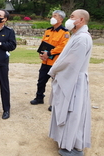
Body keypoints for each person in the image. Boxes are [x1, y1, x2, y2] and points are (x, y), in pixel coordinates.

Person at [48, 9, 92, 156]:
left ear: (81, 21)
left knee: (72, 112)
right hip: (70, 77)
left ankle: (72, 145)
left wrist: (53, 70)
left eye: (72, 16)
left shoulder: (82, 38)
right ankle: (63, 139)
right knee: (66, 110)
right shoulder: (76, 35)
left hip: (74, 79)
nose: (70, 19)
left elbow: (70, 62)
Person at [30, 10, 70, 111]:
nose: (52, 17)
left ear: (61, 19)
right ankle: (39, 98)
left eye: (55, 16)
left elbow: (62, 46)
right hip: (45, 61)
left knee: (55, 83)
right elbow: (43, 43)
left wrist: (50, 53)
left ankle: (54, 103)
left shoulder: (64, 33)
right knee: (41, 81)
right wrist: (42, 53)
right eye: (52, 15)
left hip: (56, 62)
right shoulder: (48, 31)